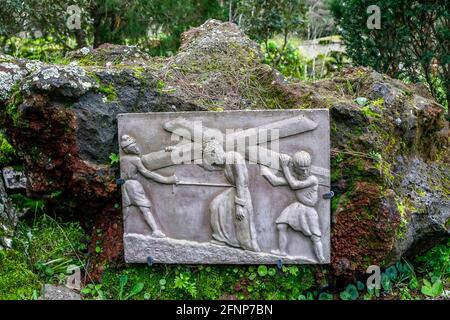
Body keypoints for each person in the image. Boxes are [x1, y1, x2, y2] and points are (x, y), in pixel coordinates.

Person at [262, 150, 325, 263]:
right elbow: (275, 181)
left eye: (307, 168)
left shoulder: (312, 179)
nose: (305, 171)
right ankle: (282, 251)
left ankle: (321, 258)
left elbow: (294, 185)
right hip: (297, 207)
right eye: (301, 169)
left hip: (309, 211)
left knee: (315, 237)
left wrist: (285, 167)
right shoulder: (295, 177)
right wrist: (263, 168)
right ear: (295, 168)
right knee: (281, 225)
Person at [202, 135, 260, 252]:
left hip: (241, 192)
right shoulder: (224, 162)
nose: (213, 163)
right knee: (215, 205)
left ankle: (250, 248)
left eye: (212, 159)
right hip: (234, 190)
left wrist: (239, 205)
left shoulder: (234, 157)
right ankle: (221, 238)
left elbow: (241, 180)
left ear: (215, 152)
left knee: (242, 221)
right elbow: (207, 168)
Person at [120, 134, 178, 238]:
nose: (137, 148)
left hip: (125, 186)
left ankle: (127, 231)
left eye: (135, 145)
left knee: (126, 208)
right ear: (128, 150)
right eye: (133, 147)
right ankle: (155, 230)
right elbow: (148, 174)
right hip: (133, 186)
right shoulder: (136, 160)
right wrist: (167, 180)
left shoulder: (123, 159)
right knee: (144, 209)